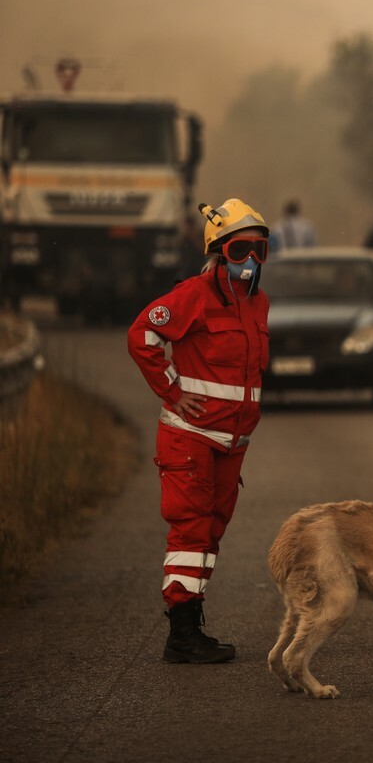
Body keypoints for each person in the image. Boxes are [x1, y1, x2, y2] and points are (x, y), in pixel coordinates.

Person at [127, 198, 271, 664]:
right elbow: (142, 335)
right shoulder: (193, 294)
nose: (250, 260)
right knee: (190, 531)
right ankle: (182, 633)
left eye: (259, 251)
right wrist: (170, 389)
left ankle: (192, 622)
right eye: (239, 251)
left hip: (232, 444)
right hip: (191, 436)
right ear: (218, 252)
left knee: (210, 532)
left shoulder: (258, 302)